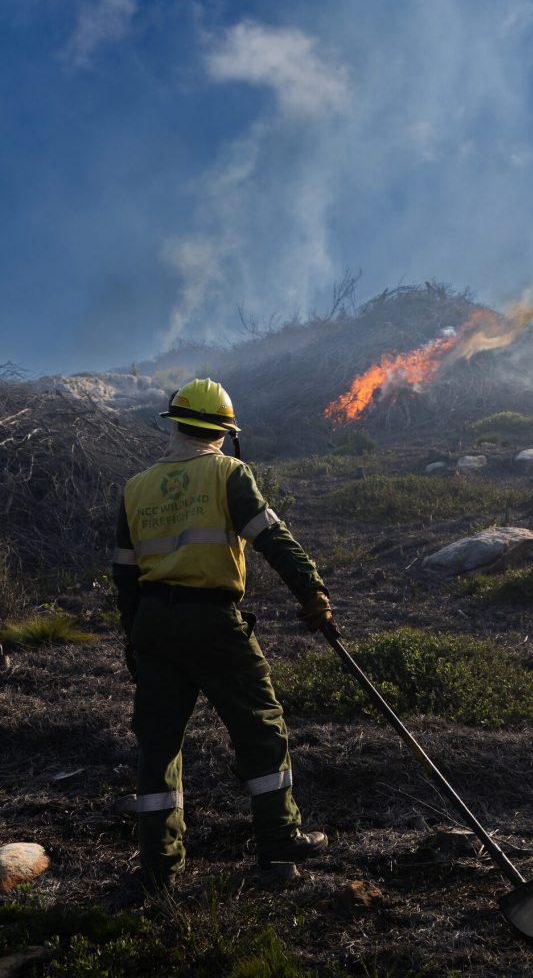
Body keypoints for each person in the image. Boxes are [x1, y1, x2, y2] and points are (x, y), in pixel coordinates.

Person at [112, 377, 335, 892]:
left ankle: (158, 867)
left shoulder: (136, 487)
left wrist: (134, 642)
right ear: (223, 431)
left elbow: (125, 577)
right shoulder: (228, 473)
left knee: (158, 745)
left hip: (154, 626)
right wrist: (312, 591)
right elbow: (271, 538)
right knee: (260, 729)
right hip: (212, 622)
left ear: (174, 425)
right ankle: (279, 851)